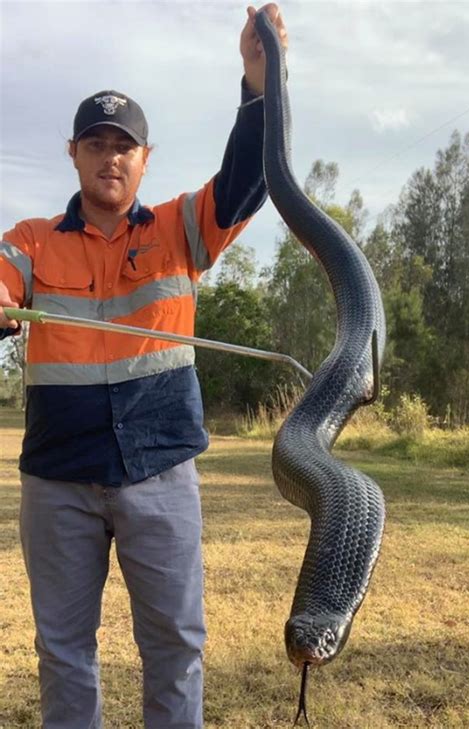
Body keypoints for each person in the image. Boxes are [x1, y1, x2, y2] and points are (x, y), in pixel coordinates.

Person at [0, 4, 288, 729]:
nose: (110, 156)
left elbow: (251, 178)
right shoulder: (33, 240)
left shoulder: (180, 227)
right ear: (72, 153)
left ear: (145, 158)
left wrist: (260, 88)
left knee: (176, 645)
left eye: (123, 144)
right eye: (95, 143)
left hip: (160, 471)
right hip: (58, 477)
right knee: (64, 648)